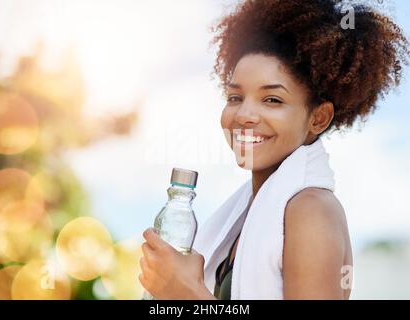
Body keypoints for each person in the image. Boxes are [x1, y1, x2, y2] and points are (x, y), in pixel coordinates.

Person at [138, 0, 409, 300]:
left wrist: (186, 293)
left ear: (318, 118)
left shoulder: (311, 210)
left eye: (272, 100)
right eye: (235, 97)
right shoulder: (252, 211)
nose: (244, 115)